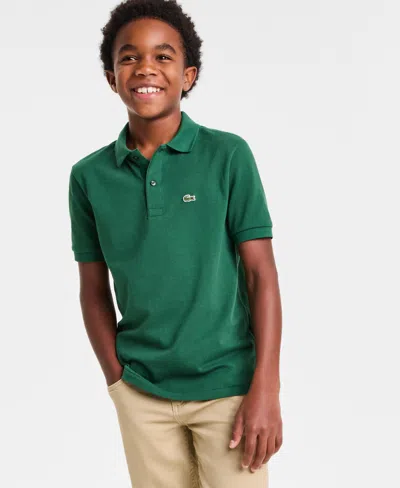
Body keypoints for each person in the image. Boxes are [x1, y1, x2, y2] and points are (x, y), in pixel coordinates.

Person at [68, 0, 283, 486]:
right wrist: (117, 379)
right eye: (129, 57)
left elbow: (261, 274)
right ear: (112, 78)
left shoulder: (228, 155)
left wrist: (266, 388)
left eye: (162, 56)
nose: (146, 67)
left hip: (228, 387)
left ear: (188, 76)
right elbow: (92, 288)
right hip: (141, 391)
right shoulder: (88, 177)